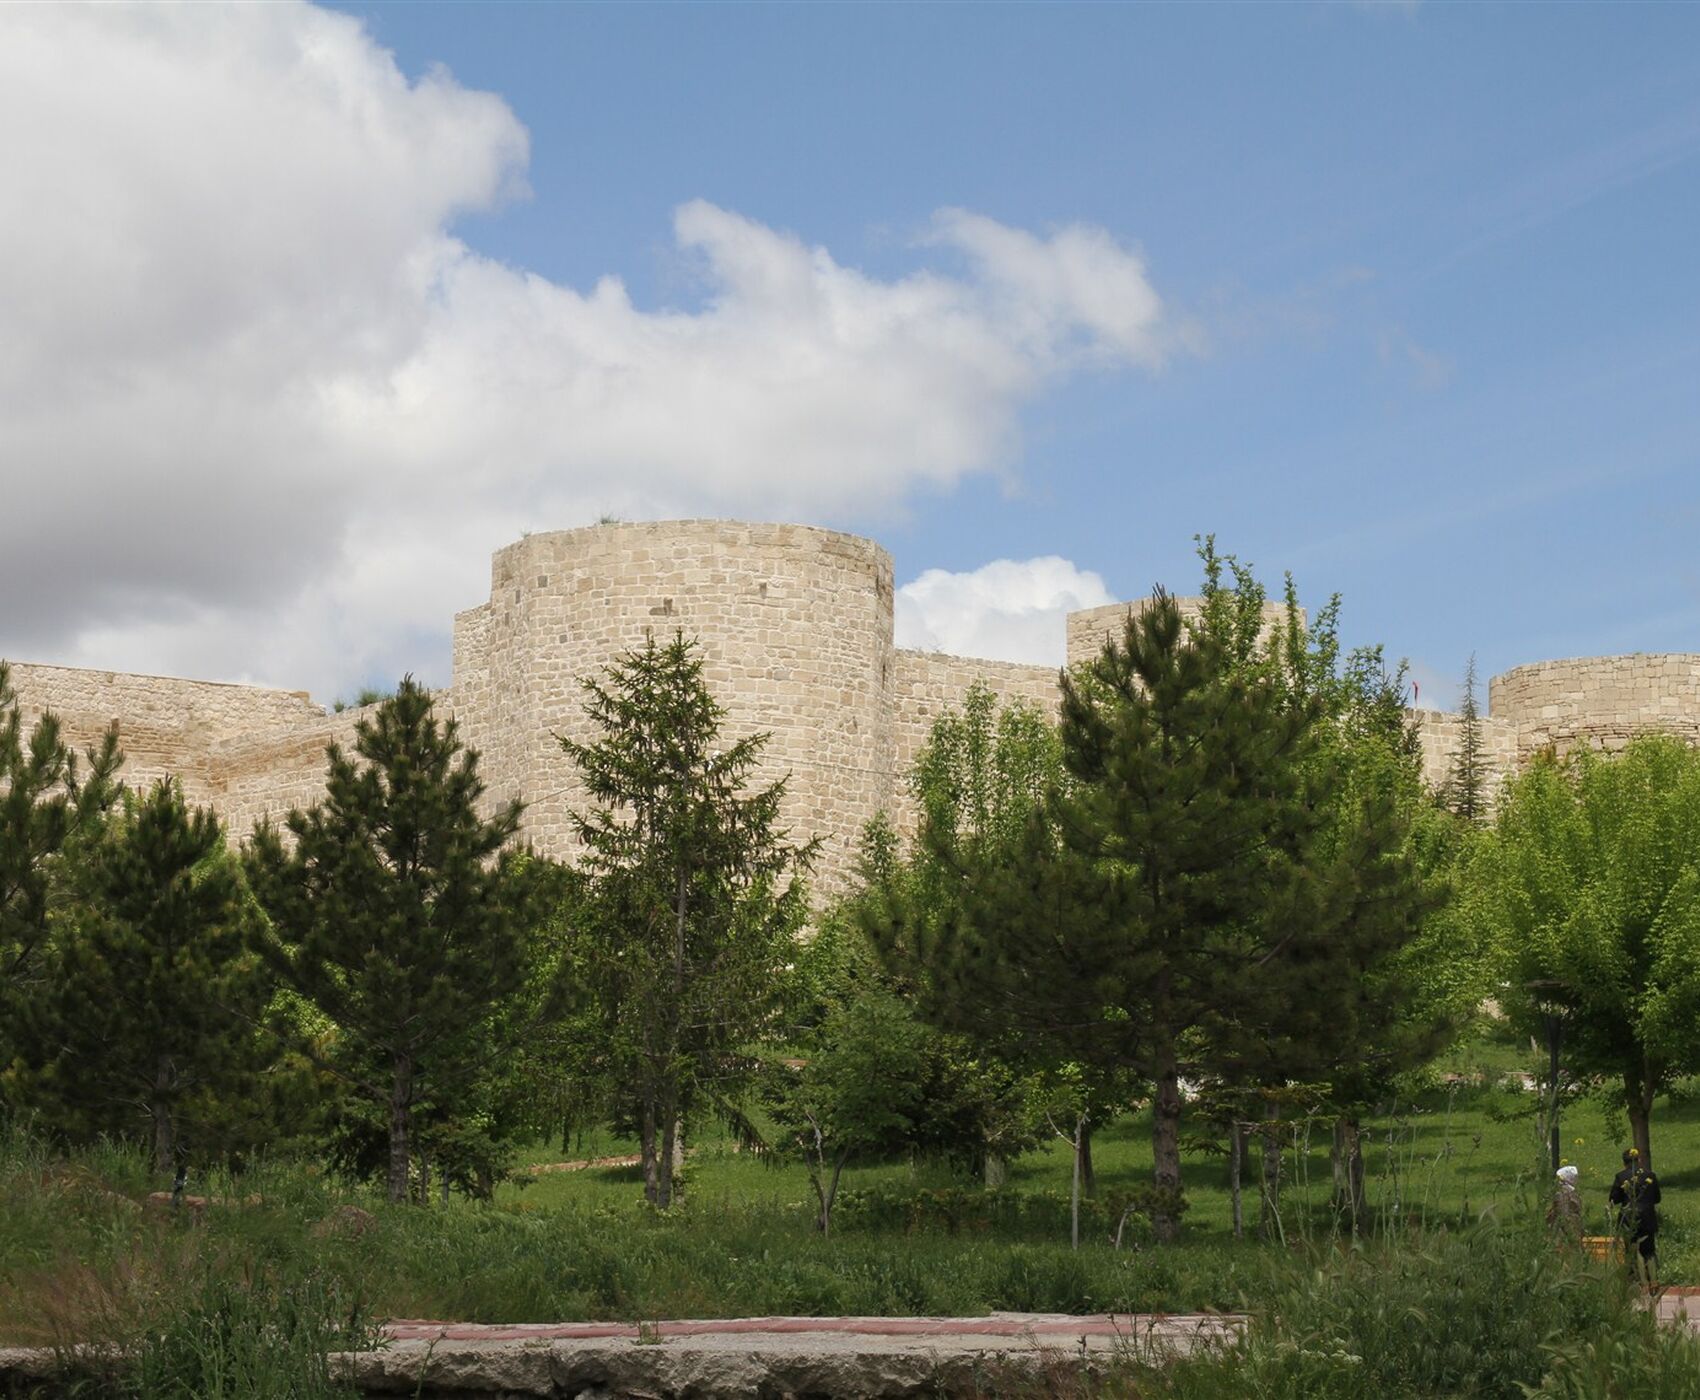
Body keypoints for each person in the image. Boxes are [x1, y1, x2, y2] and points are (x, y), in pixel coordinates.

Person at [1609, 1148, 1660, 1283]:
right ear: (1639, 1160)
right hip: (1648, 1218)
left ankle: (1634, 1280)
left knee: (1631, 1251)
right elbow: (1657, 1198)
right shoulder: (1650, 1175)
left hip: (1628, 1219)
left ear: (1624, 1163)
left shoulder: (1620, 1177)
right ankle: (1652, 1280)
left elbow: (1614, 1199)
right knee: (1649, 1251)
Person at [1547, 1163, 1582, 1244]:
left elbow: (1564, 1215)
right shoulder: (1570, 1193)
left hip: (1563, 1236)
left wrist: (1570, 1235)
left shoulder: (1563, 1193)